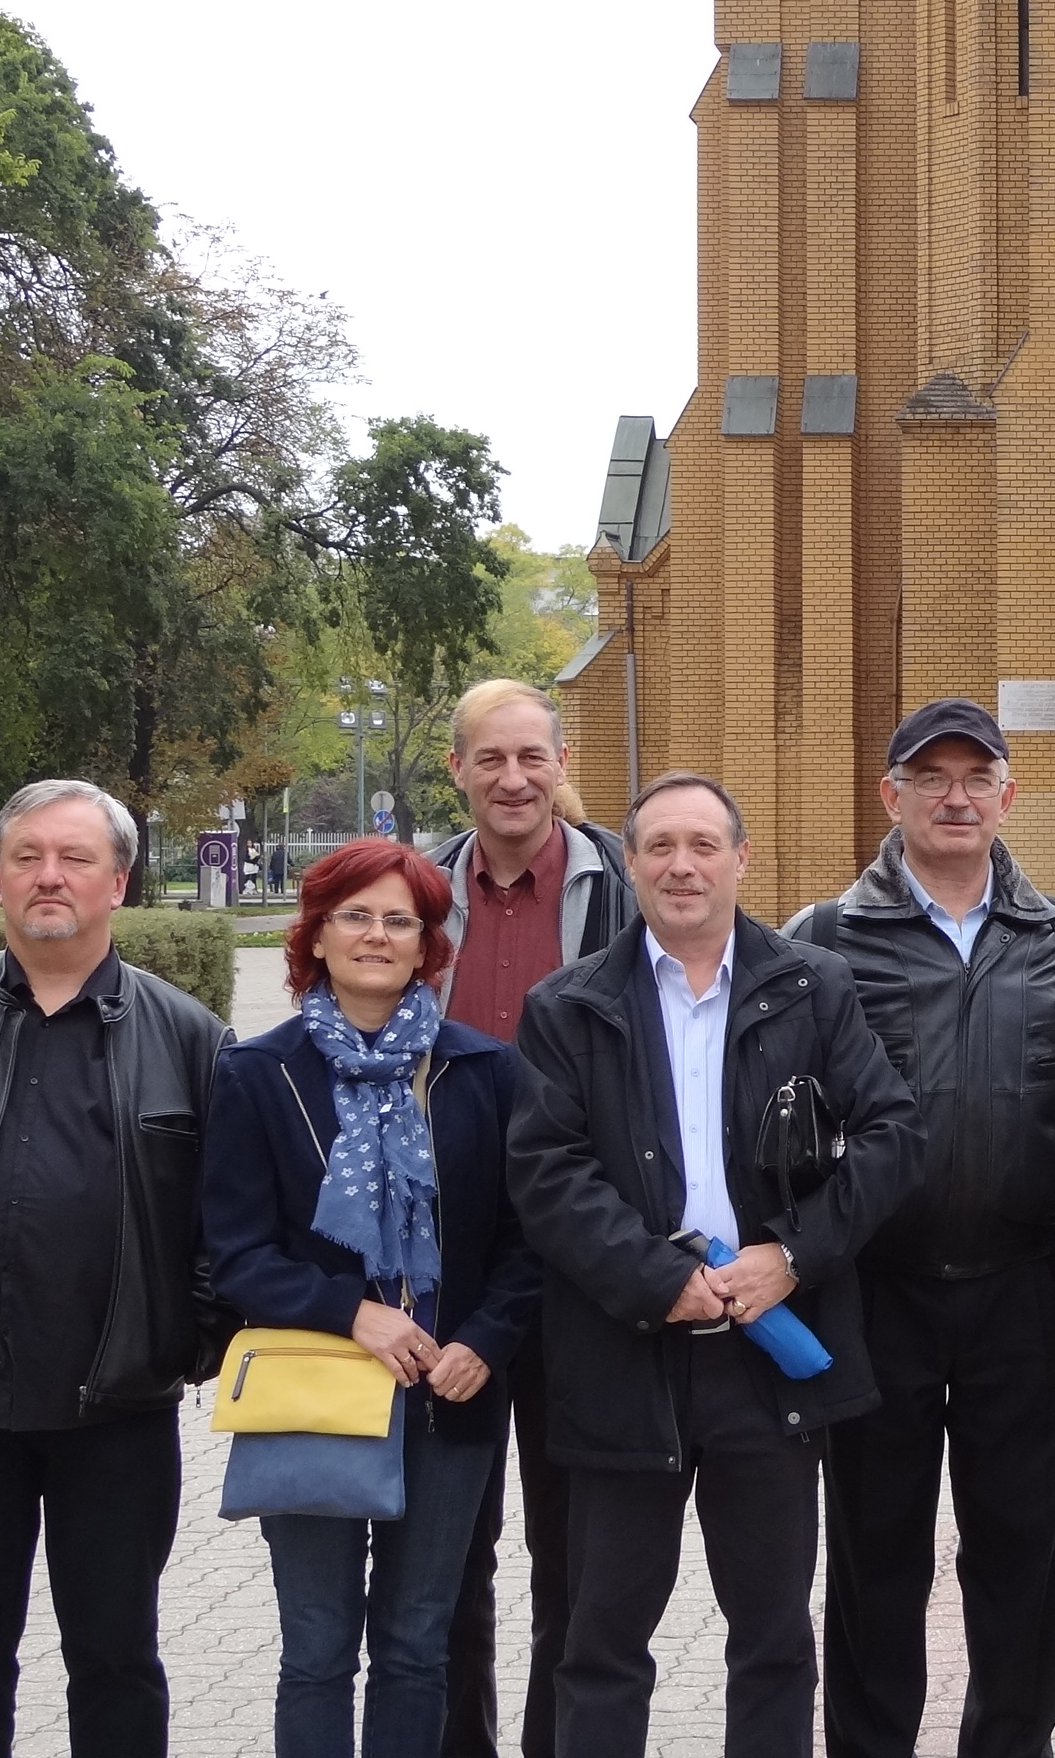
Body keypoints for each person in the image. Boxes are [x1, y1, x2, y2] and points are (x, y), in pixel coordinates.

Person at [506, 771, 925, 1758]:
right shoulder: (567, 1005)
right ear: (630, 864)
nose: (682, 866)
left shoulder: (812, 987)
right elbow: (546, 1172)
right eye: (660, 846)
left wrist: (793, 1256)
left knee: (774, 1640)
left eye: (703, 845)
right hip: (621, 1356)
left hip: (763, 1359)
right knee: (601, 1642)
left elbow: (892, 1136)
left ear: (741, 859)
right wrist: (657, 1280)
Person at [786, 700, 1055, 1758]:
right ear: (892, 796)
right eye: (932, 777)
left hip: (1022, 1293)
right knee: (875, 1550)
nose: (956, 797)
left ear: (1008, 796)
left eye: (977, 777)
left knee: (1020, 1548)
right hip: (875, 1293)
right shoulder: (825, 940)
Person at [203, 836, 539, 1757]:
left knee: (416, 1647)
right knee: (316, 1652)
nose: (377, 936)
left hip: (447, 1398)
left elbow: (525, 1243)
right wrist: (351, 1311)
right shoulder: (259, 1074)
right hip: (314, 1397)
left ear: (428, 943)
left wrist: (486, 1340)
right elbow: (235, 1256)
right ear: (316, 934)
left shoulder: (483, 1072)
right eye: (355, 916)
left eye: (401, 920)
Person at [0, 781, 230, 1758]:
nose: (49, 877)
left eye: (74, 859)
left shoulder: (189, 1038)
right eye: (26, 857)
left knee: (115, 1661)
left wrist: (186, 1342)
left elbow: (227, 1218)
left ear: (119, 882)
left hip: (116, 1415)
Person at [429, 678, 638, 1758]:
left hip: (583, 1268)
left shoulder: (624, 895)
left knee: (577, 1561)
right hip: (449, 1275)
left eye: (531, 757)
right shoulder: (413, 895)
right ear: (457, 770)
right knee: (447, 1560)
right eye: (490, 758)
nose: (513, 779)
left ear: (562, 764)